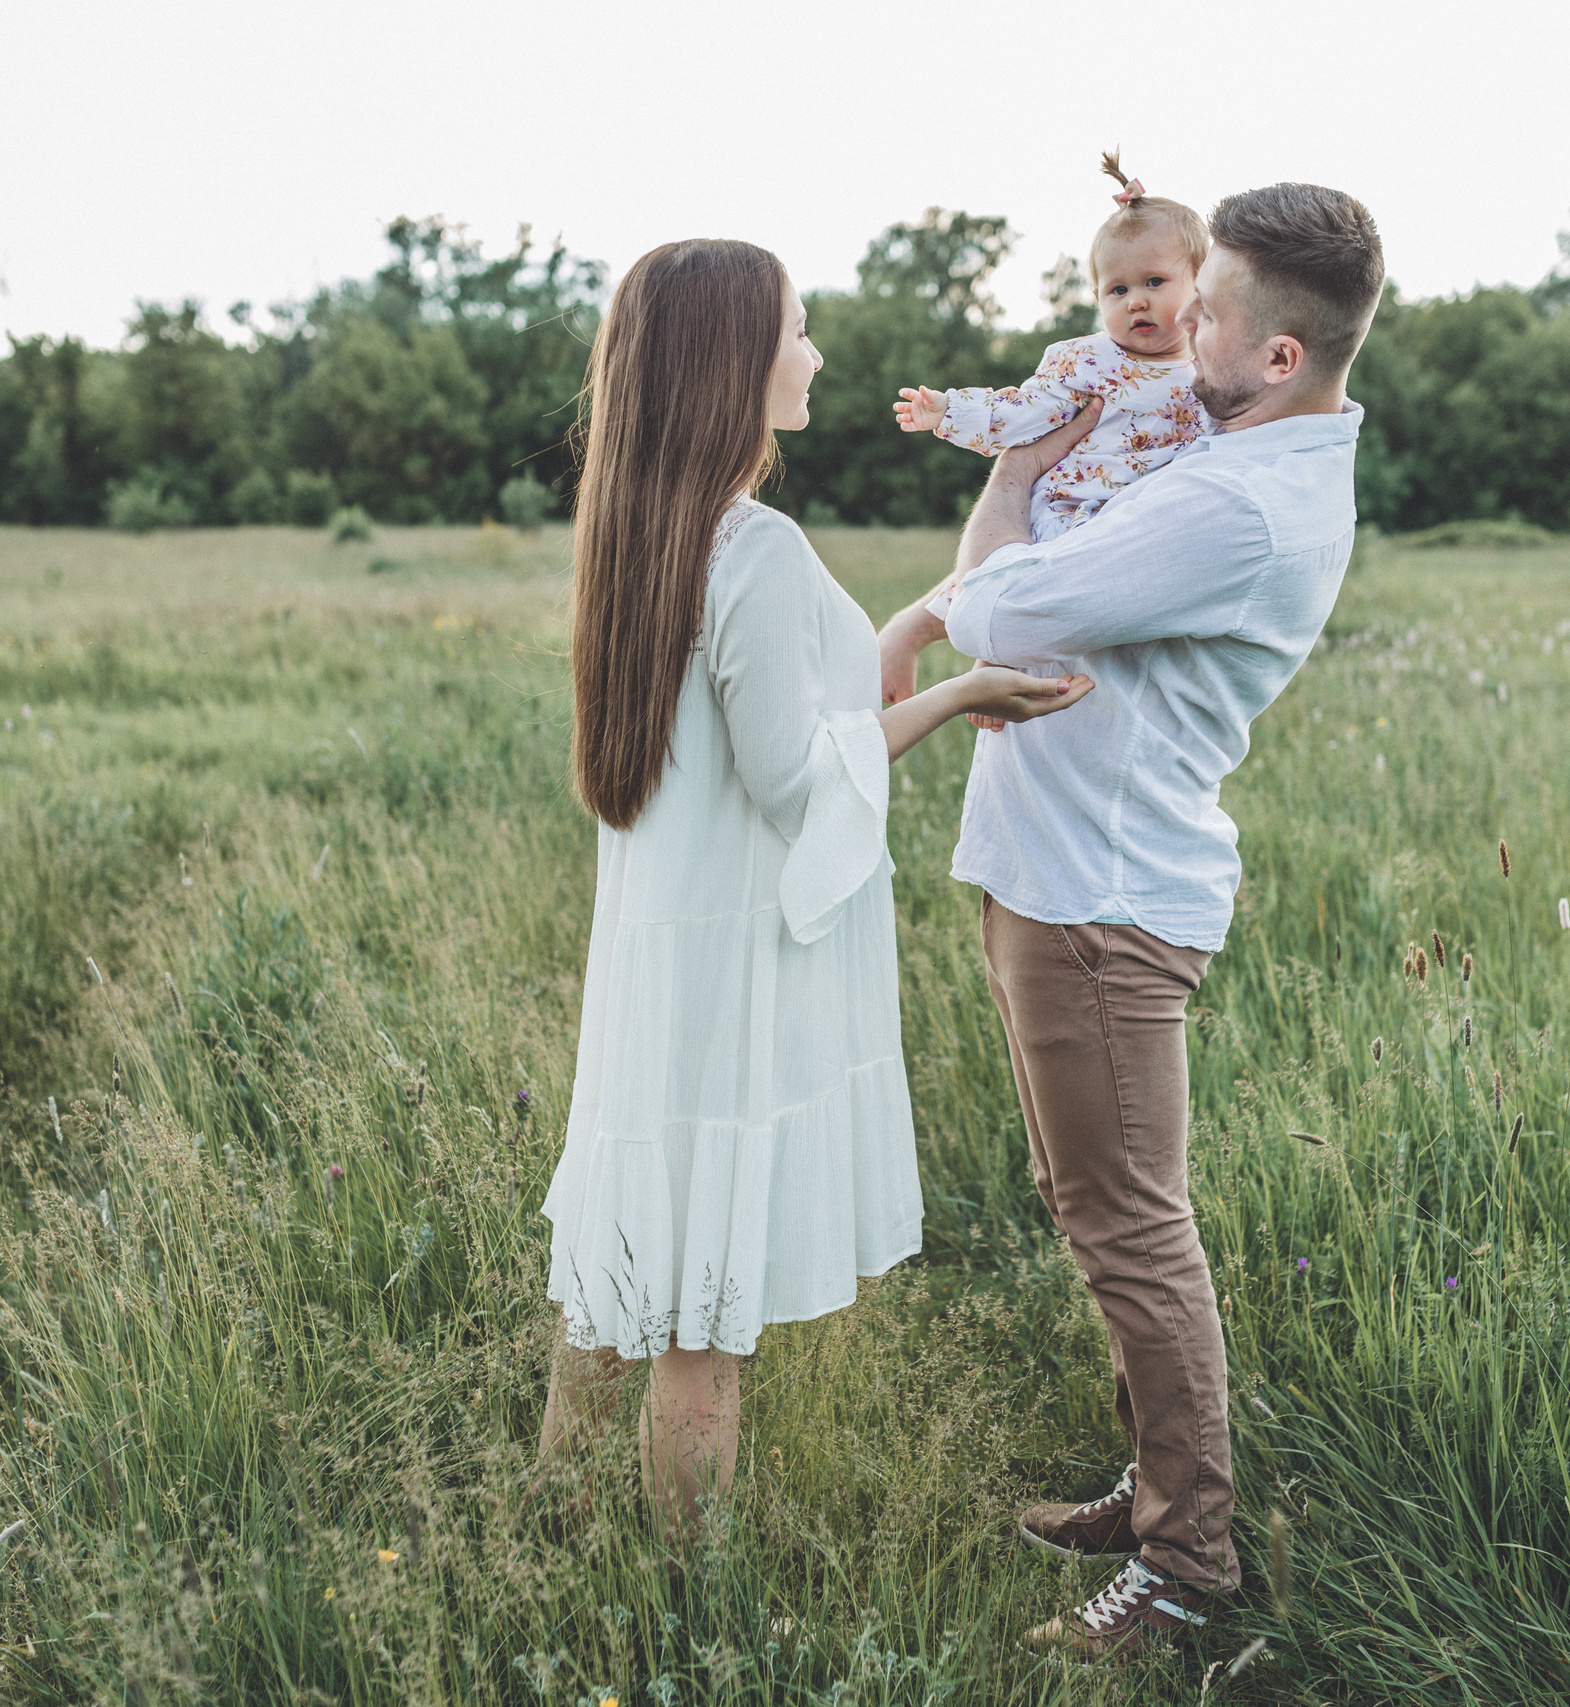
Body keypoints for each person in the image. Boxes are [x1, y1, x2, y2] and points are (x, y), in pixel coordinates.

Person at [876, 180, 1386, 1658]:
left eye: (1210, 308)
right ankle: (1160, 1480)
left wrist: (1014, 467)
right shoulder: (1234, 453)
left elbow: (1010, 605)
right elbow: (1040, 583)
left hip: (1097, 898)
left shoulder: (1236, 500)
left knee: (1130, 1229)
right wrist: (1007, 548)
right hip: (1064, 870)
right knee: (1102, 1211)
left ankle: (1189, 1564)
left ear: (1279, 352)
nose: (1180, 330)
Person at [534, 237, 1096, 1538]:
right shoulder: (759, 546)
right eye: (797, 327)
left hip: (657, 963)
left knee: (622, 1262)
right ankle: (692, 1622)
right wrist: (957, 696)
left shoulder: (644, 527)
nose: (817, 352)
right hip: (727, 973)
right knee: (702, 1324)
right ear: (734, 361)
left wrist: (904, 638)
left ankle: (552, 1526)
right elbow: (796, 780)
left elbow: (773, 704)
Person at [892, 152, 1211, 551]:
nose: (1135, 302)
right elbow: (1023, 412)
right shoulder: (1088, 363)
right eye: (1119, 290)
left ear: (1202, 283)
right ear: (1097, 299)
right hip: (1072, 515)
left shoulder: (1214, 371)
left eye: (1154, 281)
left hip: (1156, 527)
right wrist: (949, 410)